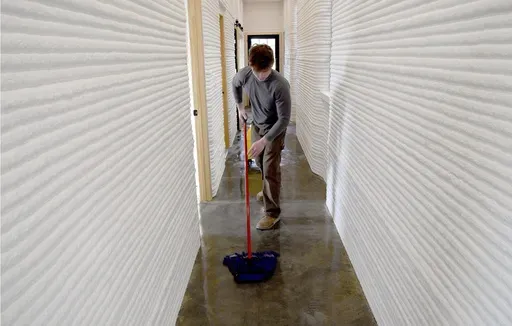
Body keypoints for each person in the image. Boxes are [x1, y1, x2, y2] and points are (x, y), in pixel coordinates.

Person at [232, 44, 291, 230]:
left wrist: (265, 140)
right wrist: (240, 107)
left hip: (275, 130)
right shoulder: (246, 74)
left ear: (271, 65)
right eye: (258, 71)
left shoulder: (280, 85)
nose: (261, 76)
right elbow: (235, 84)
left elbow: (284, 120)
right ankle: (267, 190)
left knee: (270, 168)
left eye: (265, 71)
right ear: (251, 65)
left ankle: (272, 213)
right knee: (258, 160)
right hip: (257, 125)